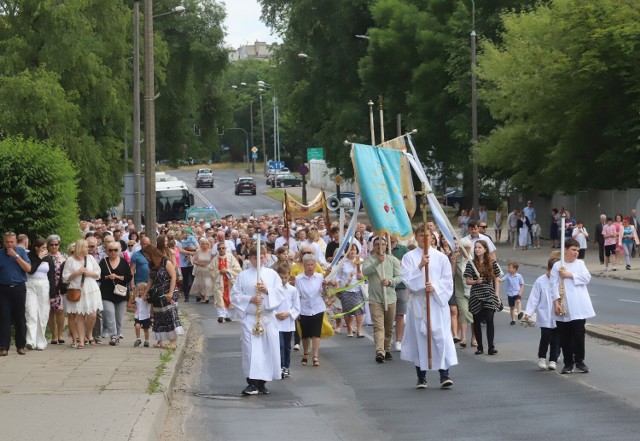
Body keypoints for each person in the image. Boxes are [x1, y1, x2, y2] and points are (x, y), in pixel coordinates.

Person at [400, 225, 457, 389]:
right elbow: (406, 279)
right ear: (416, 237)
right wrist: (420, 266)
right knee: (419, 339)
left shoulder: (441, 257)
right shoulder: (409, 257)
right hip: (418, 302)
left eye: (427, 235)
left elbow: (447, 280)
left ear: (433, 238)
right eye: (420, 235)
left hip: (436, 303)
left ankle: (444, 374)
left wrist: (435, 287)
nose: (424, 238)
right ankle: (421, 377)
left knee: (440, 337)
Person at [231, 243, 284, 395]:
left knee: (266, 351)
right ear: (250, 258)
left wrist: (267, 290)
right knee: (251, 351)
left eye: (261, 257)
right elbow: (235, 296)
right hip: (251, 318)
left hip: (267, 318)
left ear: (266, 256)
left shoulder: (272, 274)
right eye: (255, 258)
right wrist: (250, 299)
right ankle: (251, 382)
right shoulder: (243, 275)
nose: (258, 260)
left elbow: (280, 293)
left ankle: (262, 382)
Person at [550, 238, 596, 374]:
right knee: (565, 336)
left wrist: (570, 275)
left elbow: (587, 278)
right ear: (566, 250)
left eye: (578, 250)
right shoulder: (558, 266)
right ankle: (568, 363)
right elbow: (552, 286)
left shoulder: (580, 264)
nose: (576, 252)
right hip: (564, 306)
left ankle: (579, 361)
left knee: (578, 334)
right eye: (573, 249)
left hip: (578, 306)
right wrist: (556, 303)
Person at [362, 236, 402, 364]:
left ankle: (386, 347)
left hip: (390, 298)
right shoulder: (369, 260)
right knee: (379, 327)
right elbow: (365, 272)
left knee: (389, 327)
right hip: (375, 299)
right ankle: (380, 351)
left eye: (383, 244)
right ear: (373, 246)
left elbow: (399, 277)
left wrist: (390, 282)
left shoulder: (393, 260)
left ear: (386, 246)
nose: (380, 247)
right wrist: (377, 262)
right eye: (377, 244)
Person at [63, 239, 102, 349]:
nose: (88, 249)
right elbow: (65, 278)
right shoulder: (70, 260)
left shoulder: (90, 258)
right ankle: (80, 340)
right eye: (85, 247)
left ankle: (88, 333)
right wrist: (77, 273)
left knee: (92, 315)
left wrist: (89, 273)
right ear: (80, 248)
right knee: (79, 315)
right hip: (77, 289)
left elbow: (98, 273)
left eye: (88, 247)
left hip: (91, 289)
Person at [464, 240, 501, 355]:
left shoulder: (492, 263)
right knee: (477, 321)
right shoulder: (471, 263)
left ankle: (491, 346)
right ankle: (480, 346)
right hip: (476, 295)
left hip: (489, 293)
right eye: (476, 247)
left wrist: (497, 295)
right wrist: (476, 281)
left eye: (480, 247)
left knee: (490, 319)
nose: (477, 249)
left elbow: (496, 279)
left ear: (485, 249)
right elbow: (468, 281)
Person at [143, 245, 184, 349]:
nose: (147, 258)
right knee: (158, 316)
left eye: (147, 255)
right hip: (157, 293)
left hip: (168, 292)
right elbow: (151, 279)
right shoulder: (151, 264)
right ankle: (159, 340)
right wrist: (145, 293)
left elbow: (173, 277)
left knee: (170, 315)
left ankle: (173, 341)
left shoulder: (166, 262)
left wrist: (170, 292)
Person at [522, 258, 560, 370]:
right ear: (548, 269)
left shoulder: (560, 281)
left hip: (558, 315)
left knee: (556, 339)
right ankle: (542, 357)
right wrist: (528, 312)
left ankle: (553, 360)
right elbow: (534, 297)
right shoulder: (540, 281)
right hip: (545, 315)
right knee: (546, 337)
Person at [295, 254, 326, 368]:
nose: (310, 267)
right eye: (308, 265)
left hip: (317, 307)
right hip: (304, 308)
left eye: (312, 264)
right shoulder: (298, 278)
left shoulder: (320, 277)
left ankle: (315, 356)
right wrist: (297, 311)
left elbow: (324, 293)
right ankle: (306, 353)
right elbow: (296, 295)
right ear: (303, 265)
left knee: (316, 333)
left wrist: (326, 287)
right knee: (305, 334)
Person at [25, 238, 56, 350]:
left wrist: (52, 294)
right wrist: (39, 258)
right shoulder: (30, 257)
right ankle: (30, 341)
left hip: (44, 285)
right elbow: (31, 270)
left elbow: (52, 277)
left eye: (45, 248)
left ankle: (40, 341)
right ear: (36, 248)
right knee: (31, 313)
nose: (45, 250)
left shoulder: (49, 259)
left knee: (43, 315)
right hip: (31, 285)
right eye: (42, 248)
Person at [99, 242, 132, 346]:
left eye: (115, 250)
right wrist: (107, 277)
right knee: (109, 313)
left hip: (120, 292)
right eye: (110, 250)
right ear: (107, 251)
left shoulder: (124, 262)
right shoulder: (103, 262)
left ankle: (118, 334)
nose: (113, 252)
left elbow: (129, 277)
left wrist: (118, 277)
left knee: (119, 316)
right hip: (106, 292)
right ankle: (113, 335)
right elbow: (98, 276)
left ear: (119, 251)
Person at [332, 244, 366, 338]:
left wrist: (362, 277)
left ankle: (359, 329)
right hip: (346, 289)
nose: (352, 252)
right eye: (350, 250)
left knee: (359, 309)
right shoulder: (343, 262)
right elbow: (337, 276)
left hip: (358, 288)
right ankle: (349, 329)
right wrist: (338, 286)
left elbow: (365, 274)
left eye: (354, 250)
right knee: (347, 310)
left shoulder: (361, 261)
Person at [274, 262, 300, 379]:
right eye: (281, 277)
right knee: (280, 345)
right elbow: (270, 305)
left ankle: (286, 366)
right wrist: (275, 314)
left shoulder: (293, 290)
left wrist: (288, 313)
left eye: (286, 277)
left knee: (287, 346)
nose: (283, 280)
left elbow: (296, 307)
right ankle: (280, 366)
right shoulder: (274, 289)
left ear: (289, 276)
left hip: (288, 321)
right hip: (277, 321)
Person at [209, 241, 242, 323]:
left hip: (229, 281)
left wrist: (227, 270)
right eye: (219, 248)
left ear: (226, 249)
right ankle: (221, 315)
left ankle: (227, 315)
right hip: (219, 281)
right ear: (217, 250)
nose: (221, 250)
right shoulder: (215, 259)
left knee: (229, 297)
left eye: (223, 248)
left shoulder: (231, 258)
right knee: (219, 297)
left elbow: (238, 269)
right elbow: (210, 270)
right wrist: (219, 272)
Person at [453, 238, 474, 348]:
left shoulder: (474, 259)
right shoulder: (457, 258)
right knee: (464, 313)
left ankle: (474, 338)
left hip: (474, 291)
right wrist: (453, 263)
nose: (465, 250)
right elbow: (452, 275)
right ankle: (464, 337)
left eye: (467, 248)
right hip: (461, 291)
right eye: (463, 248)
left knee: (475, 314)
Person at [46, 235, 66, 345]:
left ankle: (60, 334)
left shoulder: (63, 256)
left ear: (59, 245)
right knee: (50, 311)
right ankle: (53, 335)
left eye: (56, 244)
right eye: (51, 244)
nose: (54, 246)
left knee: (59, 310)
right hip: (48, 286)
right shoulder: (44, 256)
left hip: (59, 286)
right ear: (48, 245)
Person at [390, 235, 409, 351]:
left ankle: (399, 340)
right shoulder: (383, 247)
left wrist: (395, 260)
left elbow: (407, 265)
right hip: (387, 286)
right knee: (389, 315)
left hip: (401, 286)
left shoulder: (403, 249)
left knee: (400, 314)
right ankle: (387, 338)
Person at [190, 238, 214, 303]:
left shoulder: (211, 252)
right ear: (201, 245)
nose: (205, 245)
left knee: (207, 283)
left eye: (206, 244)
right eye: (203, 244)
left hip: (208, 270)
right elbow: (194, 261)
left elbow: (213, 261)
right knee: (200, 284)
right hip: (200, 270)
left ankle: (207, 297)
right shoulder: (198, 251)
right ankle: (202, 297)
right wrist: (200, 264)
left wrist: (210, 265)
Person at [177, 228, 198, 302]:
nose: (185, 234)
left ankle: (197, 295)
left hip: (192, 263)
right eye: (184, 233)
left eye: (187, 233)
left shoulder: (193, 240)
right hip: (184, 264)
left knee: (194, 279)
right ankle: (186, 296)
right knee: (185, 280)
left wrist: (191, 249)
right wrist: (190, 252)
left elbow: (197, 247)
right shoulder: (180, 242)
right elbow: (180, 250)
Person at [500, 261, 524, 325]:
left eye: (509, 268)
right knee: (512, 307)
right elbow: (501, 280)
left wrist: (520, 291)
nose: (508, 269)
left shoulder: (519, 276)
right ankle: (513, 320)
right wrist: (496, 279)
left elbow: (522, 284)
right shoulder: (507, 276)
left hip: (517, 293)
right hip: (510, 294)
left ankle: (519, 313)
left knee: (518, 301)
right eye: (508, 268)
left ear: (514, 269)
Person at [132, 282, 151, 347]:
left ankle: (146, 341)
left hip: (146, 316)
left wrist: (147, 297)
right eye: (139, 290)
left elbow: (151, 304)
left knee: (146, 329)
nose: (140, 291)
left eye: (142, 290)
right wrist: (134, 306)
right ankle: (138, 339)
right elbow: (133, 304)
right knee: (137, 326)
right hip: (138, 315)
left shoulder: (148, 299)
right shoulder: (137, 298)